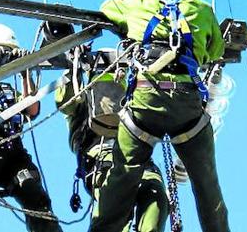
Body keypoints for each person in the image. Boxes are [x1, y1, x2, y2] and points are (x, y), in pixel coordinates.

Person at [92, 0, 229, 232]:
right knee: (207, 184)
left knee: (122, 178)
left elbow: (106, 7)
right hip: (187, 107)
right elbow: (216, 51)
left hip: (144, 104)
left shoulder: (138, 5)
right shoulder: (203, 9)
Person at [0, 23, 63, 232]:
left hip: (14, 155)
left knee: (37, 199)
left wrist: (25, 70)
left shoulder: (8, 90)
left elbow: (32, 109)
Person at [54, 48, 168, 232]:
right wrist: (72, 67)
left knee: (155, 194)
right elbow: (65, 101)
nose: (109, 98)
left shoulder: (131, 100)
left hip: (138, 161)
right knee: (116, 210)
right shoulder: (80, 103)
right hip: (102, 161)